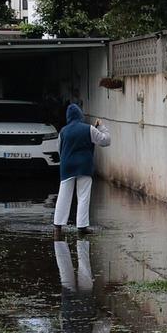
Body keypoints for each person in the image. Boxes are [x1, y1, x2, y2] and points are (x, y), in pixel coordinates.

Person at [53, 102, 111, 239]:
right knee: (83, 196)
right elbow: (105, 141)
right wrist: (101, 127)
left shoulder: (63, 131)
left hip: (67, 166)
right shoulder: (89, 129)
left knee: (63, 196)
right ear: (80, 115)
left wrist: (65, 161)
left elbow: (58, 149)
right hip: (84, 166)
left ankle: (58, 226)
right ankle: (82, 226)